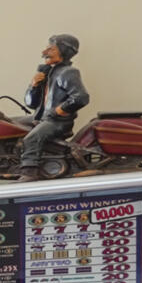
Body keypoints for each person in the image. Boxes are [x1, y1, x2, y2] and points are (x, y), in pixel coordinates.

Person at [17, 33, 87, 179]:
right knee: (11, 124)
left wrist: (57, 111)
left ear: (64, 51)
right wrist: (34, 86)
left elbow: (81, 97)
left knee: (31, 139)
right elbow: (31, 103)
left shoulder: (68, 73)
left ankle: (29, 172)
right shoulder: (48, 73)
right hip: (42, 117)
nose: (44, 52)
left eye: (51, 49)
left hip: (58, 122)